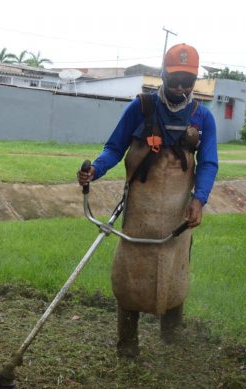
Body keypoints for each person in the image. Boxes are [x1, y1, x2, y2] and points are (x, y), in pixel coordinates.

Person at [77, 43, 219, 358]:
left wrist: (199, 200)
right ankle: (127, 344)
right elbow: (114, 148)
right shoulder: (140, 108)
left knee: (175, 273)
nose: (181, 88)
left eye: (188, 81)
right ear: (164, 74)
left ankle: (172, 338)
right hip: (139, 213)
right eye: (175, 79)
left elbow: (208, 163)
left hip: (177, 216)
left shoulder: (202, 118)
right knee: (131, 277)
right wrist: (95, 170)